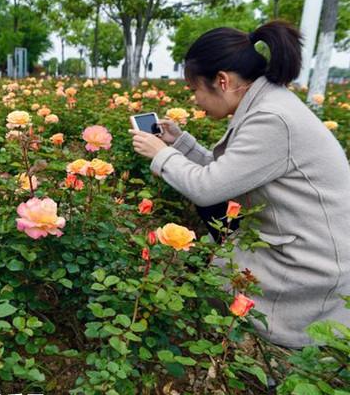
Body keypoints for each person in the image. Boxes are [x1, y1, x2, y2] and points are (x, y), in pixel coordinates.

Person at [130, 20, 350, 349]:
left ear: (222, 81)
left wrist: (160, 155)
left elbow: (207, 188)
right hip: (303, 239)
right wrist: (179, 144)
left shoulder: (271, 119)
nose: (194, 101)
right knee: (215, 261)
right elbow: (229, 177)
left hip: (312, 262)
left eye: (194, 90)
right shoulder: (269, 104)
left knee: (215, 280)